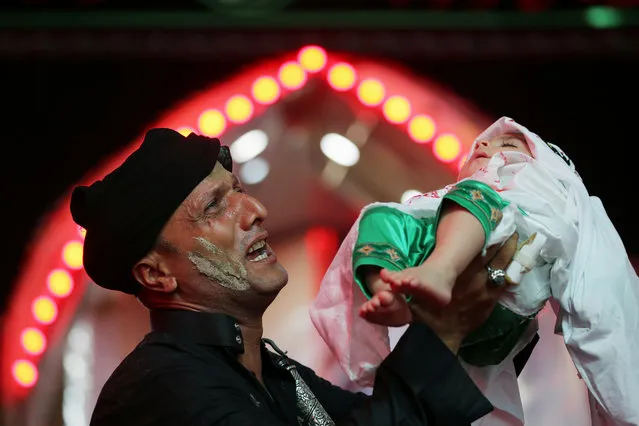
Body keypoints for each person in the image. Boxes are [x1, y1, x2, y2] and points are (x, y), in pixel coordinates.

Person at [70, 128, 522, 426]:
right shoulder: (163, 393)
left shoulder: (269, 370)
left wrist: (497, 299)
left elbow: (390, 417)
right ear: (156, 275)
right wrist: (443, 328)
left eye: (239, 192)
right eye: (214, 207)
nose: (255, 211)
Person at [310, 117, 639, 426]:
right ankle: (389, 293)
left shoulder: (550, 208)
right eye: (479, 148)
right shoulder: (447, 204)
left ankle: (442, 270)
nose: (483, 149)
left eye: (508, 146)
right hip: (456, 327)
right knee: (378, 215)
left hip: (500, 312)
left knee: (477, 195)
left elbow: (599, 295)